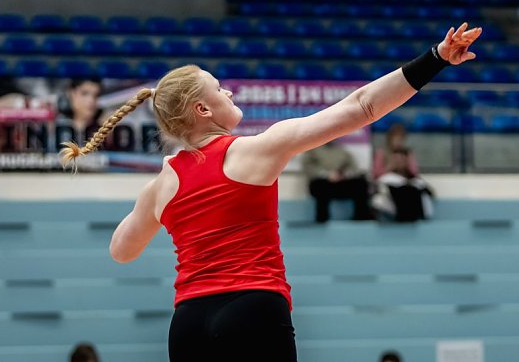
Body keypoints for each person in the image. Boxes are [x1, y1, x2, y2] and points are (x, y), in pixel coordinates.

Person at [60, 22, 481, 362]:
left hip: (187, 325)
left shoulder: (161, 184)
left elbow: (121, 250)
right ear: (203, 110)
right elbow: (362, 107)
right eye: (219, 88)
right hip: (252, 310)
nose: (229, 91)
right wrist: (436, 58)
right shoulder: (255, 150)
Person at [302, 140, 372, 222]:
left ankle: (361, 217)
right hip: (323, 183)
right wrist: (327, 175)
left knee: (361, 183)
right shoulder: (312, 150)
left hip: (340, 182)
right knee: (320, 186)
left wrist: (343, 175)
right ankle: (322, 220)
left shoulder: (342, 150)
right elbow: (308, 168)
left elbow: (353, 169)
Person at [371, 148, 434, 222]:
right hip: (393, 215)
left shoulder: (417, 181)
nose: (399, 162)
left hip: (415, 215)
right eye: (396, 159)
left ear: (407, 161)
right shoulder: (385, 179)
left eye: (402, 159)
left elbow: (431, 194)